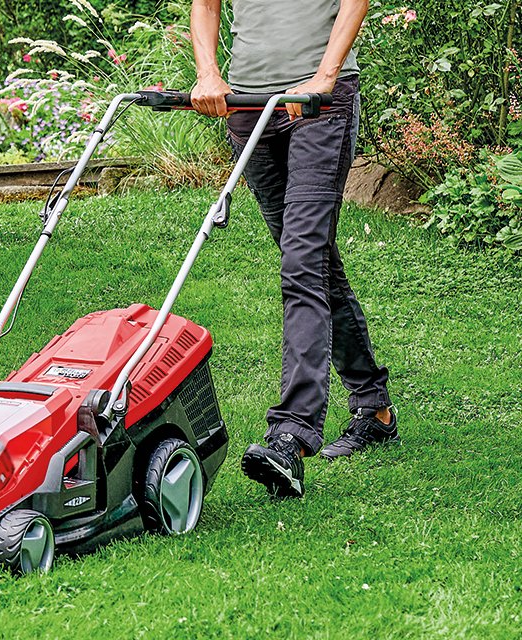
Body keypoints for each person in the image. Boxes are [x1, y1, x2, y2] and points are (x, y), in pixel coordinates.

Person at [189, 0, 399, 498]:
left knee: (302, 260)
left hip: (318, 107)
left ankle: (292, 434)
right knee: (313, 261)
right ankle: (374, 407)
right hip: (246, 109)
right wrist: (208, 74)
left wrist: (325, 76)